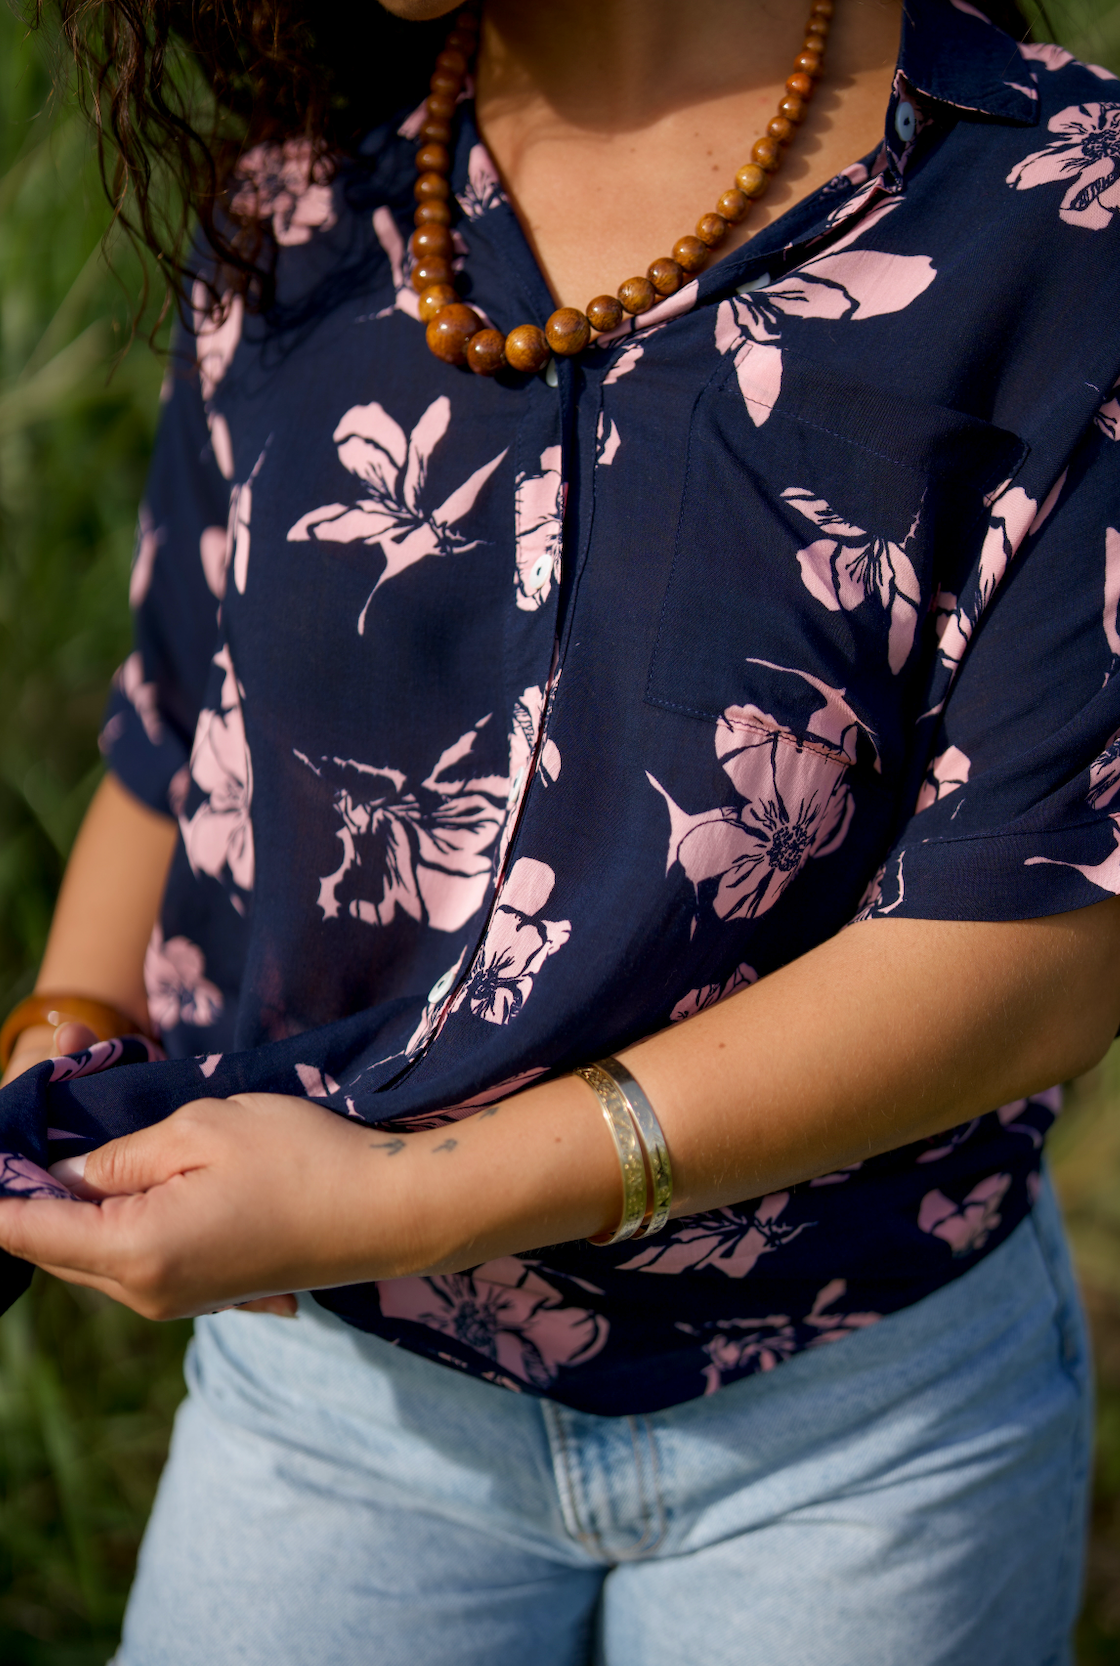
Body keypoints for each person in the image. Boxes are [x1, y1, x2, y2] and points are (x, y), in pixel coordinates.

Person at [1, 0, 1119, 1657]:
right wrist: (61, 1057)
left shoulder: (1055, 214)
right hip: (337, 1399)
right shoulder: (301, 209)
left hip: (848, 1442)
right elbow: (178, 731)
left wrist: (396, 1197)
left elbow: (1043, 942)